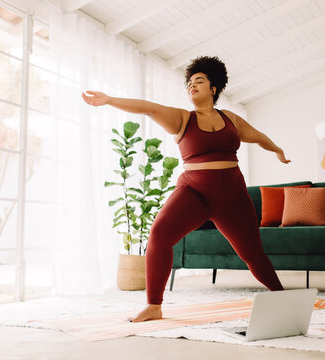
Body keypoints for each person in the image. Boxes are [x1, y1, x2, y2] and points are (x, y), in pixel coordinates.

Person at [82, 56, 291, 323]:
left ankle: (281, 296)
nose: (192, 86)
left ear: (214, 88)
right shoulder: (182, 119)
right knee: (158, 233)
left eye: (199, 81)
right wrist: (110, 99)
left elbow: (258, 136)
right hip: (195, 193)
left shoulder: (231, 120)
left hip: (233, 196)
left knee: (252, 253)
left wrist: (278, 151)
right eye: (189, 82)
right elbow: (150, 108)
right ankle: (153, 305)